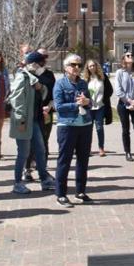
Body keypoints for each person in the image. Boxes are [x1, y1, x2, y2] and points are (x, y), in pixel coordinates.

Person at [9, 51, 56, 194]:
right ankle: (17, 183)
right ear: (33, 64)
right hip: (23, 121)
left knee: (40, 150)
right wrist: (21, 120)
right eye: (38, 63)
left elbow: (44, 93)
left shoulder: (34, 78)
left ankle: (44, 179)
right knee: (23, 153)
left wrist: (41, 88)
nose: (40, 66)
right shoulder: (22, 77)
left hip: (35, 120)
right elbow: (17, 100)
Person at [52, 54, 93, 207]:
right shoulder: (60, 84)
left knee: (83, 160)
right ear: (66, 67)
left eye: (79, 65)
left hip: (85, 125)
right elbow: (58, 107)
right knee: (65, 161)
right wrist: (76, 105)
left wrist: (88, 101)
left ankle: (80, 191)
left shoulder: (83, 83)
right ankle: (61, 194)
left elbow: (90, 103)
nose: (76, 68)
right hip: (67, 126)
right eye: (73, 65)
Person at [25, 48, 56, 180]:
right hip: (32, 113)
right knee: (29, 142)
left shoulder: (49, 75)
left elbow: (54, 94)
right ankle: (27, 170)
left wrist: (49, 106)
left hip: (46, 113)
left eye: (45, 56)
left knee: (44, 141)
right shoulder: (28, 74)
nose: (44, 59)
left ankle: (42, 169)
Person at [115, 52, 134, 162]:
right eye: (128, 55)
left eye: (132, 55)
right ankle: (127, 152)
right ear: (124, 59)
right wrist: (128, 101)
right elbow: (118, 90)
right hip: (123, 104)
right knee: (125, 129)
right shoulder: (119, 72)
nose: (130, 56)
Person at [83, 59, 113, 157]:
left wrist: (103, 99)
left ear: (96, 66)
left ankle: (101, 148)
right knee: (88, 129)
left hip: (100, 106)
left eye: (93, 65)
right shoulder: (85, 79)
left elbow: (110, 90)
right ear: (87, 68)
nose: (92, 67)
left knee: (99, 128)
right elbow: (82, 92)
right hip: (89, 107)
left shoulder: (103, 77)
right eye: (90, 66)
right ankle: (87, 149)